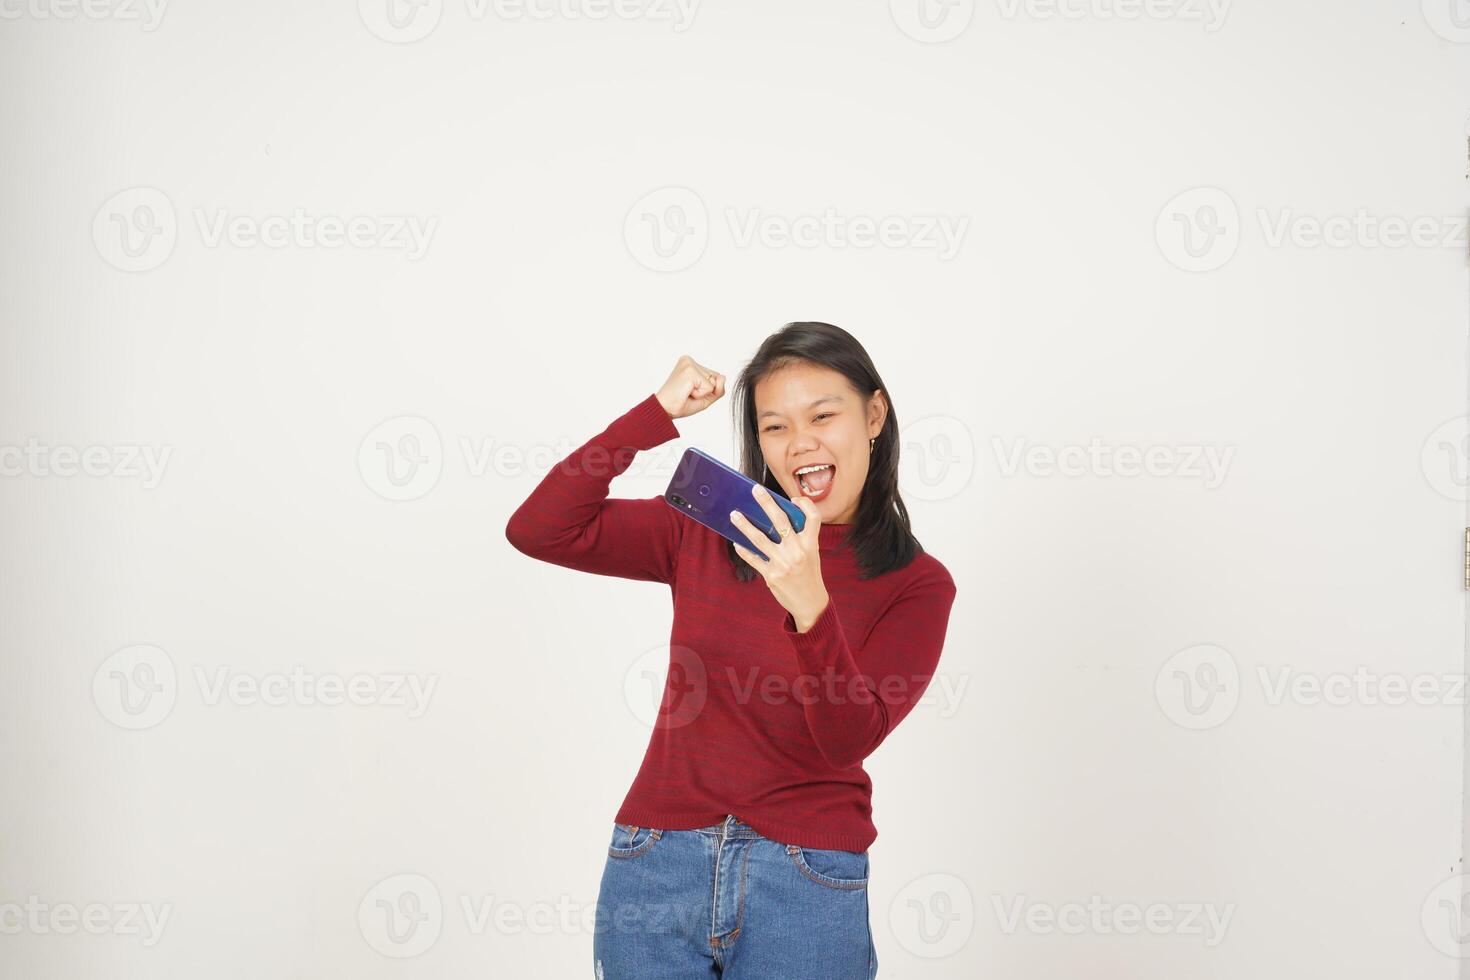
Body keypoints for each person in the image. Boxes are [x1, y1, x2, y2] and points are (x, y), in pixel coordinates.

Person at [505, 321, 958, 979]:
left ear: (874, 415)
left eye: (823, 416)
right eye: (775, 426)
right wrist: (651, 416)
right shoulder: (711, 532)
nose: (801, 443)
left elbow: (847, 737)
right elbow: (541, 529)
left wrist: (810, 606)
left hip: (806, 880)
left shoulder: (916, 584)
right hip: (658, 864)